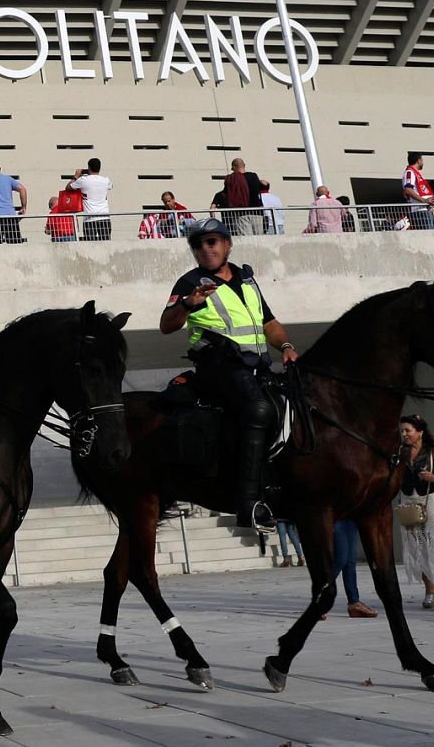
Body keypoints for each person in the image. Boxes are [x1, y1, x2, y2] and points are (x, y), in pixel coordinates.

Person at [160, 218, 299, 528]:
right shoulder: (189, 282)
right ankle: (248, 504)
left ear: (227, 245)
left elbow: (269, 323)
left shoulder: (247, 280)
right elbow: (166, 325)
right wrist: (188, 304)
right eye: (198, 245)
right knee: (259, 408)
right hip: (217, 367)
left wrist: (286, 345)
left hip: (256, 368)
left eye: (211, 242)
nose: (205, 249)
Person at [396, 414, 434, 611]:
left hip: (432, 501)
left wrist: (433, 478)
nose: (404, 434)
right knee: (417, 549)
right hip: (408, 502)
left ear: (420, 432)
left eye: (408, 430)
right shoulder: (399, 454)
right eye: (402, 431)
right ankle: (430, 589)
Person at [323, 520, 379, 619]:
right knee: (340, 559)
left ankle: (354, 603)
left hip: (352, 518)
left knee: (350, 561)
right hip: (336, 517)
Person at [214, 159, 265, 236]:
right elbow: (261, 187)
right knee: (260, 238)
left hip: (241, 213)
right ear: (244, 165)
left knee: (246, 239)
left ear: (234, 167)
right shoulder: (254, 176)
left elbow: (225, 193)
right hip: (257, 213)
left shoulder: (232, 179)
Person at [67, 158, 112, 241]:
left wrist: (76, 176)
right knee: (106, 243)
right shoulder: (105, 180)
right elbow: (111, 186)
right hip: (104, 217)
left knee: (90, 243)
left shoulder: (83, 180)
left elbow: (68, 187)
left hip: (89, 218)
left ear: (89, 167)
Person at [402, 152, 434, 230]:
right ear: (418, 161)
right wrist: (424, 200)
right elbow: (408, 190)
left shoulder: (416, 173)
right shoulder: (410, 172)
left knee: (432, 234)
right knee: (428, 234)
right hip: (419, 210)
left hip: (425, 209)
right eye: (422, 160)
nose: (423, 162)